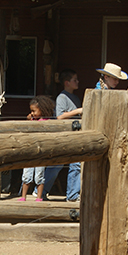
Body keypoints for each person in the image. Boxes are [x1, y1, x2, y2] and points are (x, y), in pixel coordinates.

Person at [43, 69, 83, 202]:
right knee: (56, 165)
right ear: (67, 83)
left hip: (75, 135)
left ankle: (72, 195)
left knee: (75, 164)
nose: (77, 82)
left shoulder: (75, 98)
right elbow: (59, 116)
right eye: (74, 80)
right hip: (64, 135)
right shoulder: (62, 97)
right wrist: (77, 111)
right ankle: (41, 191)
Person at [18, 95, 55, 201]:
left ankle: (39, 196)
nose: (32, 113)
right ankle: (23, 196)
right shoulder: (34, 120)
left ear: (42, 110)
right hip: (31, 152)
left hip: (41, 153)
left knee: (39, 175)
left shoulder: (45, 121)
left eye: (34, 111)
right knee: (26, 175)